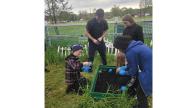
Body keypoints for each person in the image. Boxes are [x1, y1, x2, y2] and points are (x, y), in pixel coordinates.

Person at [114, 36, 152, 108]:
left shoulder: (131, 52)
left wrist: (123, 72)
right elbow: (132, 64)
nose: (119, 50)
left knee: (141, 93)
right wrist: (123, 67)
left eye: (118, 48)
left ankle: (142, 106)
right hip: (150, 67)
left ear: (121, 46)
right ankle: (140, 105)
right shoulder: (136, 45)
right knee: (140, 90)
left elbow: (133, 72)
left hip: (149, 72)